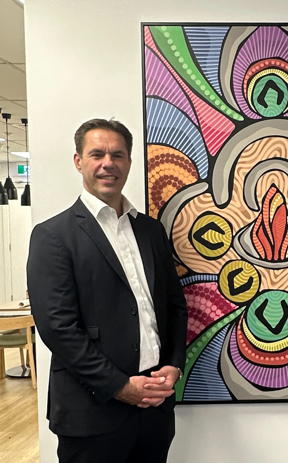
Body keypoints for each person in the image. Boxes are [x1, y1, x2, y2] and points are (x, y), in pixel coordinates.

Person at [27, 118, 188, 463]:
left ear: (129, 162)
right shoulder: (53, 236)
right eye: (96, 154)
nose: (108, 163)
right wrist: (119, 386)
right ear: (78, 161)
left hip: (155, 409)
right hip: (92, 412)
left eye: (117, 155)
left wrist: (174, 364)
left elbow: (173, 306)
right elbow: (58, 329)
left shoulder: (150, 230)